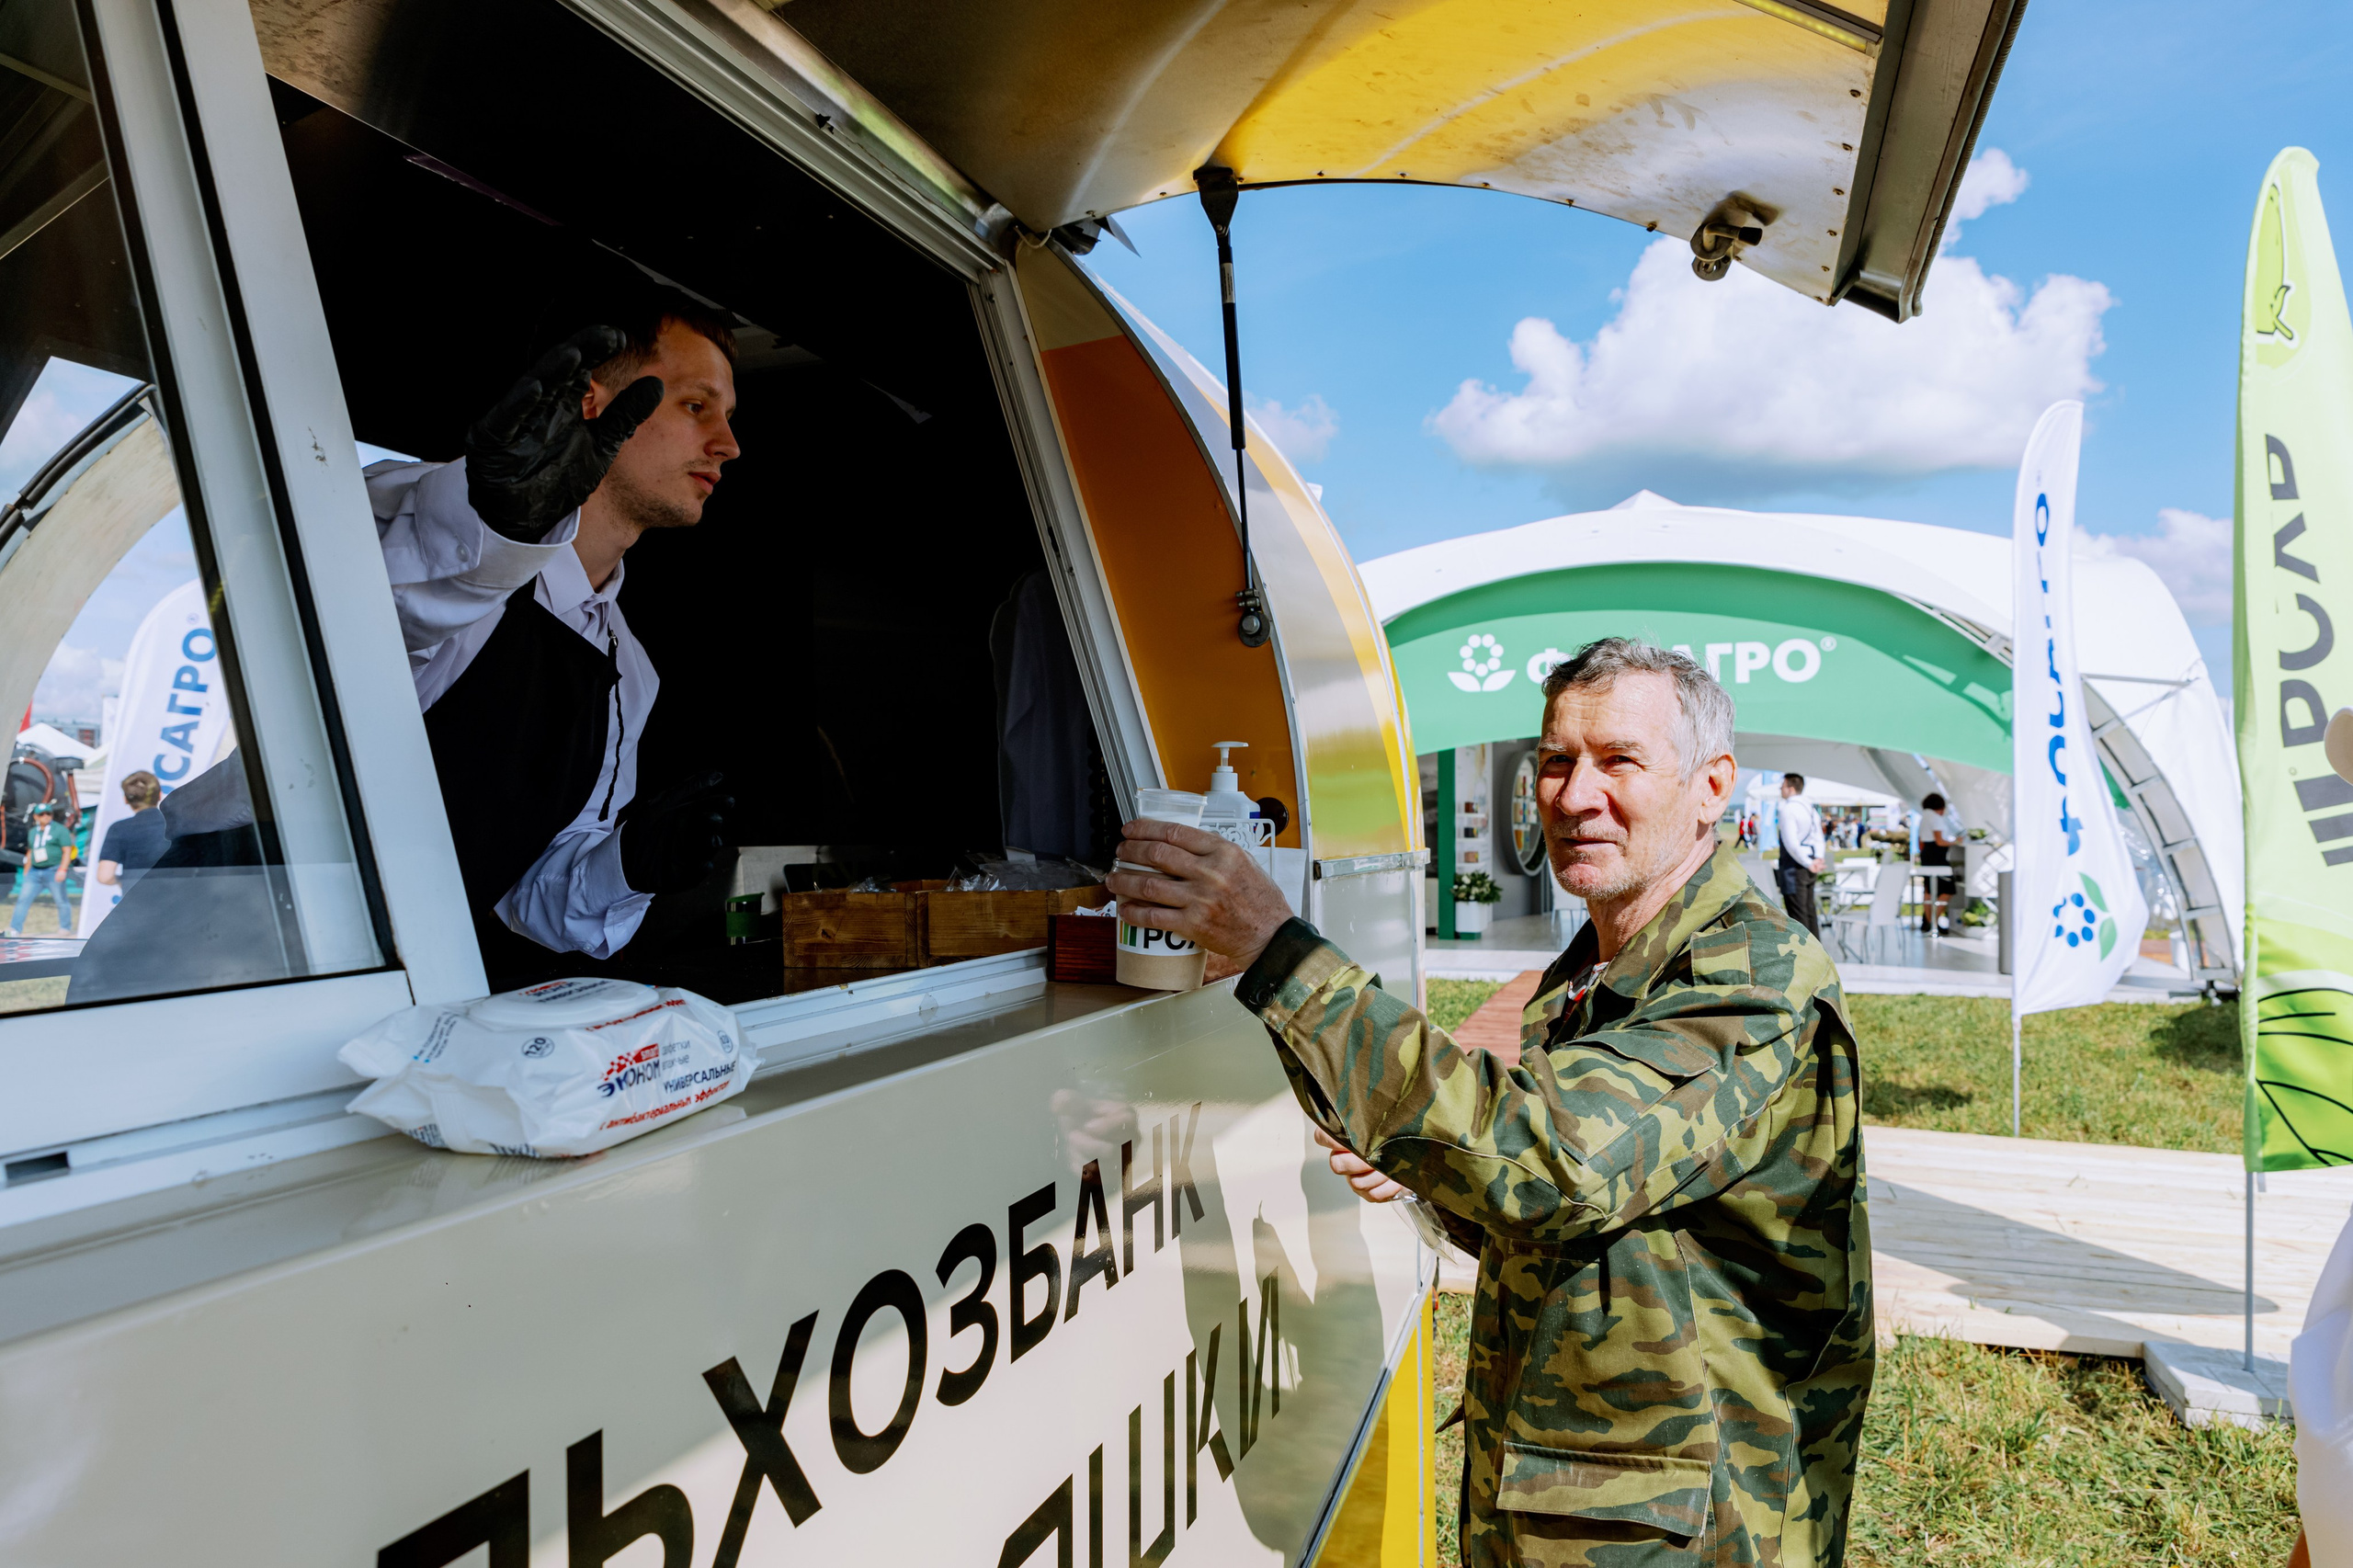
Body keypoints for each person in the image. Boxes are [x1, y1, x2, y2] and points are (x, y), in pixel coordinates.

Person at [1111, 637, 1870, 1565]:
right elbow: (1575, 1218)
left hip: (1690, 1530)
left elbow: (1552, 1163)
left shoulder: (1752, 976)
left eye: (1618, 761)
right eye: (1555, 762)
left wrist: (1282, 955)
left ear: (1712, 786)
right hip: (1576, 1499)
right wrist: (1435, 1172)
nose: (1575, 795)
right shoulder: (1592, 971)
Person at [369, 300, 740, 982]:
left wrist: (625, 865)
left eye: (728, 419)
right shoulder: (440, 522)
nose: (728, 444)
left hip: (399, 992)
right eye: (696, 406)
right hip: (223, 950)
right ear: (592, 399)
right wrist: (495, 524)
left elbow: (533, 900)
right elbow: (364, 628)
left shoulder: (628, 668)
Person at [92, 769, 167, 895]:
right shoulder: (181, 824)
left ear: (125, 799)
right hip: (179, 903)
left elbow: (104, 876)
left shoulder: (119, 829)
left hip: (136, 904)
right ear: (160, 795)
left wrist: (122, 881)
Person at [9, 802, 74, 935]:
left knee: (61, 900)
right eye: (41, 814)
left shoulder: (60, 830)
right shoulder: (33, 832)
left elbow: (67, 851)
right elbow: (30, 852)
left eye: (48, 813)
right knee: (23, 899)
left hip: (53, 870)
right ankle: (15, 928)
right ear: (36, 817)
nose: (45, 816)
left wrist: (63, 869)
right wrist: (27, 870)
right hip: (35, 870)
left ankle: (65, 928)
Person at [1778, 770, 1827, 938]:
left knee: (1798, 915)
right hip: (1810, 861)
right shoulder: (1811, 808)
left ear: (1790, 788)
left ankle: (1805, 957)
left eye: (1782, 785)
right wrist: (1818, 858)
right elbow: (1818, 837)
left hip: (1795, 867)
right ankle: (1818, 953)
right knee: (1809, 910)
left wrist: (1807, 863)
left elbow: (1791, 844)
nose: (1780, 788)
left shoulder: (1788, 809)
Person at [1918, 791, 1961, 934]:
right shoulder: (1936, 818)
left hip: (1927, 854)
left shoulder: (1924, 816)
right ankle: (1933, 921)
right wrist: (1956, 841)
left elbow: (1921, 841)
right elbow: (1940, 841)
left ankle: (1928, 921)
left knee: (1929, 889)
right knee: (1948, 889)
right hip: (1937, 856)